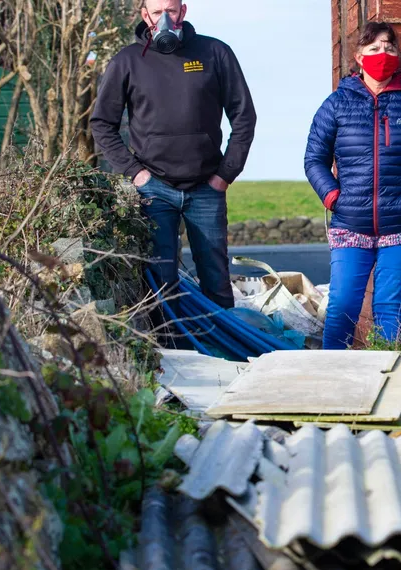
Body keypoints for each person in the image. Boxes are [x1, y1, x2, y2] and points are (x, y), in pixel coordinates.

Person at [90, 0, 255, 344]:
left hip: (206, 186)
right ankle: (172, 354)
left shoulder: (215, 52)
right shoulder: (127, 61)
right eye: (156, 10)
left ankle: (224, 350)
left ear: (184, 10)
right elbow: (102, 124)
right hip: (154, 188)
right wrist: (135, 173)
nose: (165, 18)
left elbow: (244, 116)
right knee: (161, 278)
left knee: (215, 276)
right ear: (143, 14)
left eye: (172, 9)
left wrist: (226, 173)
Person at [304, 22, 401, 350]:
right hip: (350, 224)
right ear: (358, 57)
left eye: (389, 48)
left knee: (388, 307)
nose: (382, 54)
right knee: (342, 307)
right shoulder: (337, 104)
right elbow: (314, 158)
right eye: (374, 49)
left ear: (398, 55)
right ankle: (331, 383)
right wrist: (332, 197)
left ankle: (388, 380)